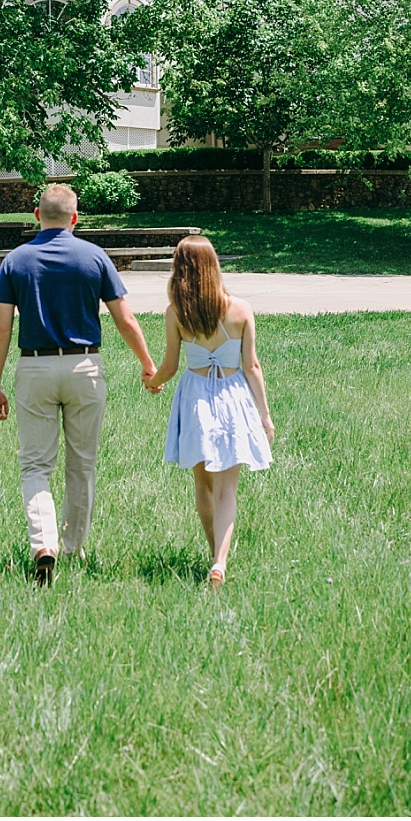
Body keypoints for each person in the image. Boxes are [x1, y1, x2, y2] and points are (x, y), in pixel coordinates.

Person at [0, 183, 156, 586]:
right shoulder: (94, 257)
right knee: (82, 466)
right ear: (75, 218)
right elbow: (124, 319)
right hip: (85, 367)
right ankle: (73, 548)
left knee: (35, 465)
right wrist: (148, 364)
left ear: (36, 215)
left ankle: (43, 544)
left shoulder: (16, 260)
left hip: (35, 369)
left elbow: (2, 327)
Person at [145, 235, 274, 588]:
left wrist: (153, 381)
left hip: (195, 399)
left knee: (202, 484)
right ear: (213, 265)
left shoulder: (176, 313)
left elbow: (170, 366)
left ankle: (213, 551)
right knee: (226, 490)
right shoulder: (240, 309)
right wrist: (264, 416)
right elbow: (253, 367)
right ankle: (220, 561)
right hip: (233, 397)